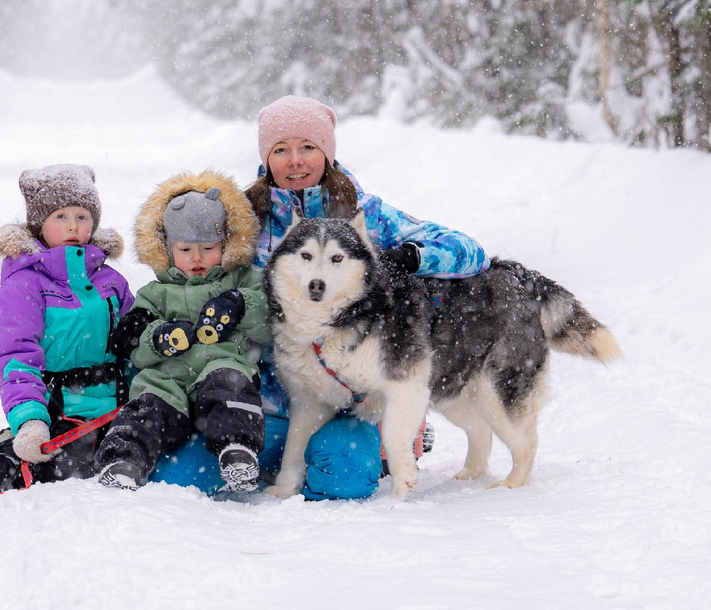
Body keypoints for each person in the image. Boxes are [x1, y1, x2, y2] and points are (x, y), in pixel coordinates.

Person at [154, 95, 490, 500]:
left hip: (356, 397)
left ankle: (384, 444)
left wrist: (407, 257)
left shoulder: (365, 214)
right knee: (179, 479)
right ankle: (283, 458)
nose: (295, 160)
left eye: (308, 147)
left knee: (343, 477)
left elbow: (469, 251)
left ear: (327, 154)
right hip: (264, 402)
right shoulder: (244, 220)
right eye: (281, 150)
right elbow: (184, 271)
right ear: (267, 159)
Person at [0, 164, 134, 496]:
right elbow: (15, 357)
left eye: (82, 216)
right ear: (40, 224)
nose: (73, 226)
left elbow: (135, 346)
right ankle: (4, 453)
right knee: (70, 477)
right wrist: (31, 420)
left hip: (118, 407)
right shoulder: (24, 284)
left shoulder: (111, 281)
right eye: (61, 216)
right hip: (60, 412)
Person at [94, 171, 270, 493]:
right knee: (146, 407)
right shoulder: (154, 293)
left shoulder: (238, 280)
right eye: (186, 250)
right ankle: (123, 462)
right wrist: (158, 337)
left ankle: (238, 451)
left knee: (231, 388)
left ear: (226, 244)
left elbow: (269, 319)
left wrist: (239, 304)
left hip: (220, 363)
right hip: (167, 377)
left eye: (208, 247)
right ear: (167, 249)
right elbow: (132, 341)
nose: (197, 259)